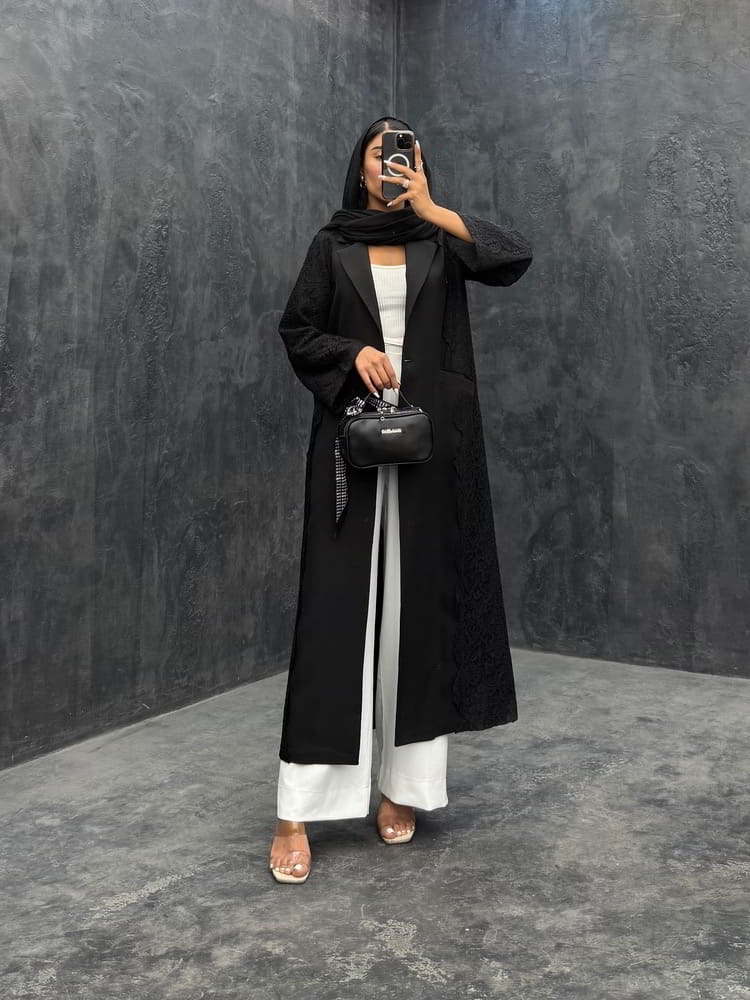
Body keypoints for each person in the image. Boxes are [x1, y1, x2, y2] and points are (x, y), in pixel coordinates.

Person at [270, 116, 533, 882]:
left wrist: (432, 208)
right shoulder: (332, 245)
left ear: (418, 165)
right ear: (359, 168)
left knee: (419, 614)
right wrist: (352, 351)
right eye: (380, 152)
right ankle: (297, 809)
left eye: (406, 152)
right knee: (333, 619)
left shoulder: (439, 240)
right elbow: (297, 329)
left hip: (432, 451)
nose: (391, 162)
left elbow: (514, 257)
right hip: (348, 448)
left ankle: (402, 787)